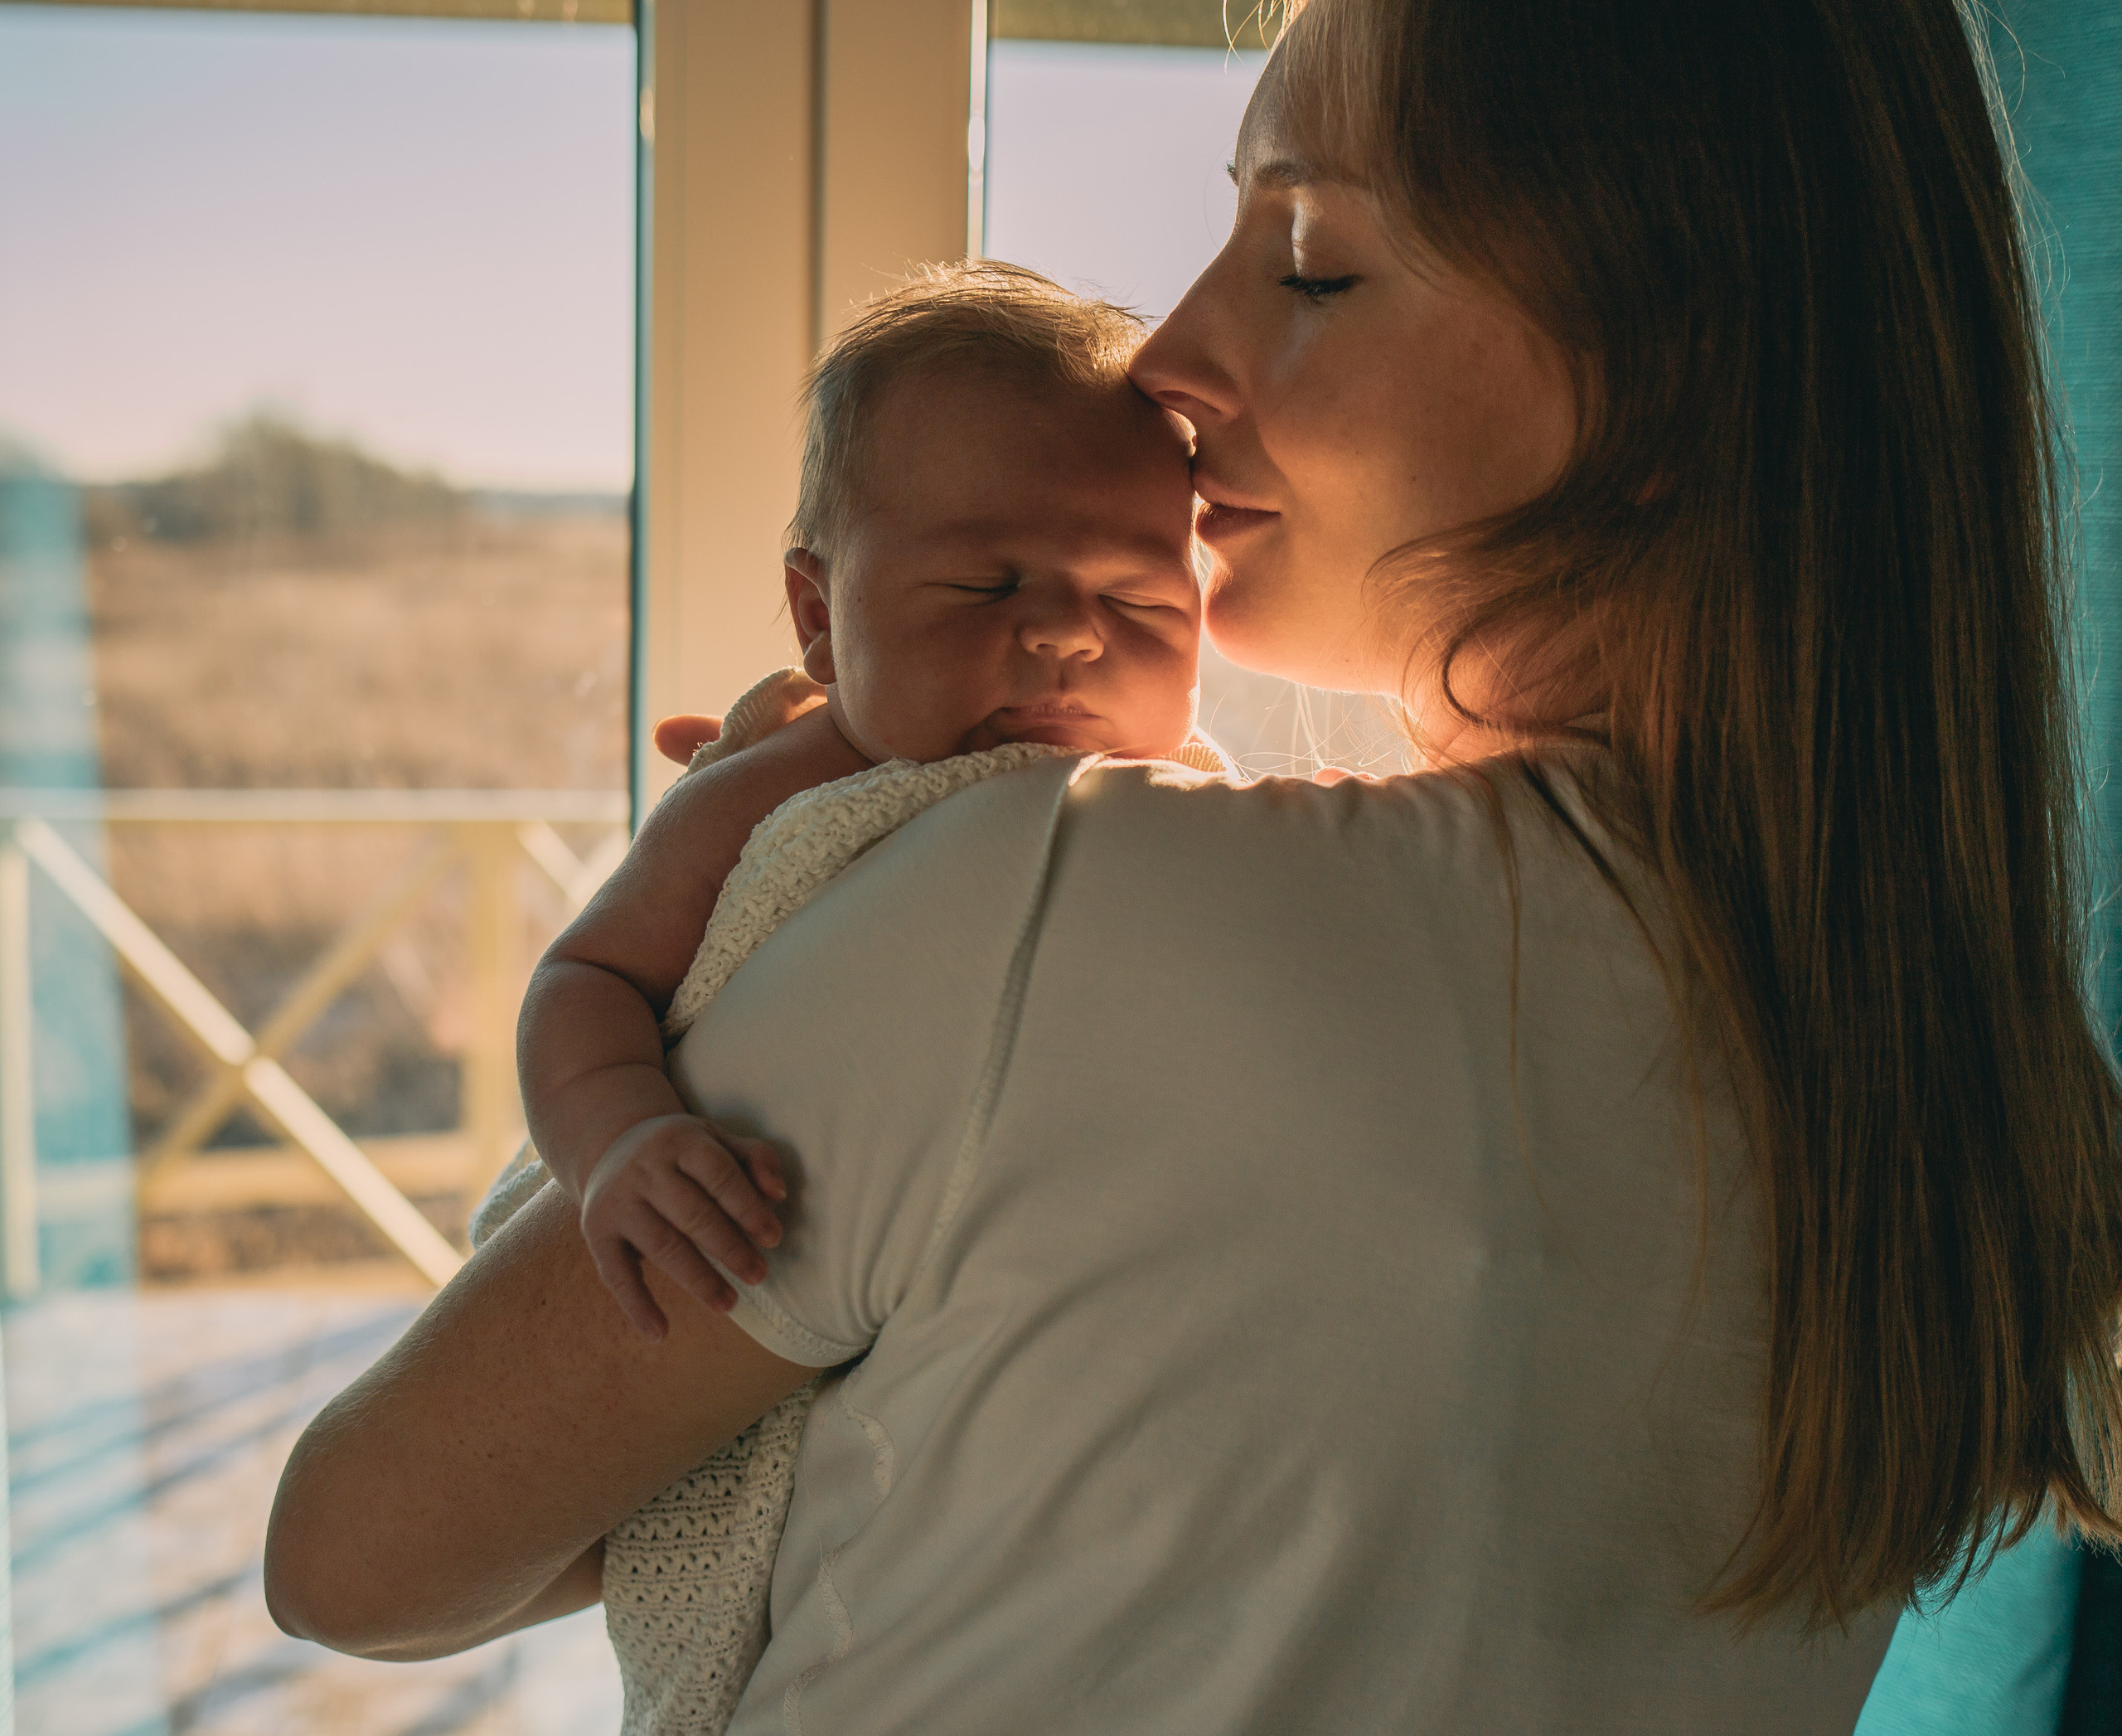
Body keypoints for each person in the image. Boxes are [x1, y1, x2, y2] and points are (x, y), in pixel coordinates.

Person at [264, 2, 2122, 1731]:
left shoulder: (1034, 904)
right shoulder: (1983, 1096)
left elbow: (360, 1555)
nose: (1164, 355)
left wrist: (745, 913)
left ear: (1670, 366)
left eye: (1310, 260)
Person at [472, 260, 1220, 1734]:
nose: (1068, 633)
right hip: (703, 1253)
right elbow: (587, 976)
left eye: (1139, 595)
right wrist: (619, 1138)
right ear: (820, 615)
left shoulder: (1190, 818)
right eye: (985, 584)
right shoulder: (785, 789)